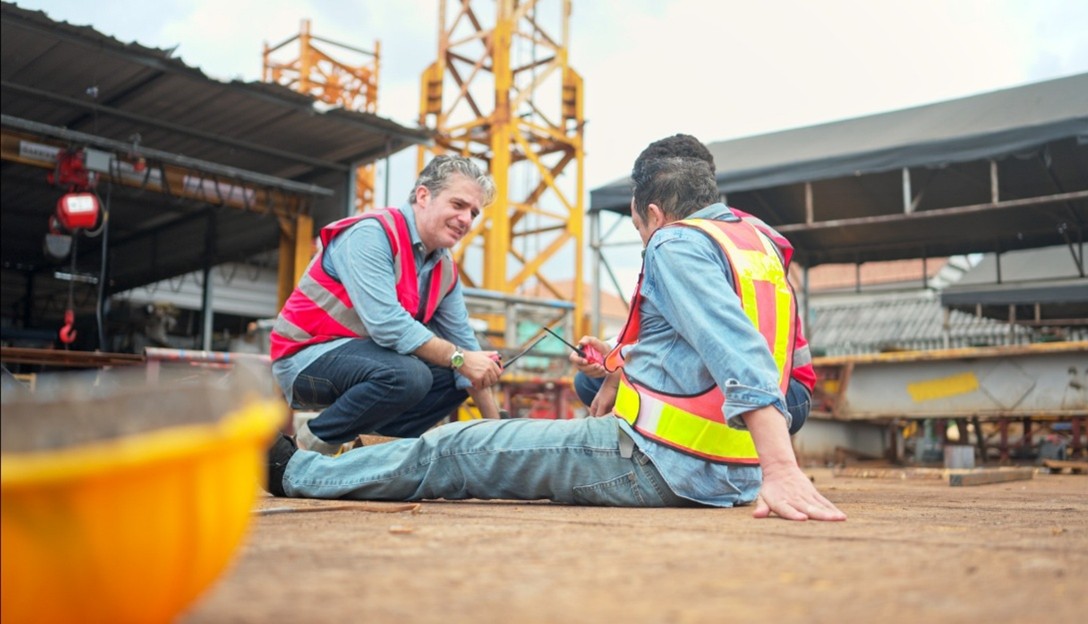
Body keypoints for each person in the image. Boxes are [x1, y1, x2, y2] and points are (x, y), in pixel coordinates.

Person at [263, 143, 846, 522]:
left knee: (454, 447)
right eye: (458, 206)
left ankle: (301, 471)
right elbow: (751, 356)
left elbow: (732, 348)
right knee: (439, 387)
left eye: (640, 227)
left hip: (660, 461)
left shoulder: (675, 240)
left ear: (650, 212)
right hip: (727, 470)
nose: (466, 221)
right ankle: (333, 449)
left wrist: (781, 468)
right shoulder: (761, 245)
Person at [571, 134, 815, 435]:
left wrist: (621, 370)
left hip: (769, 389)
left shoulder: (682, 245)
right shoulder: (751, 232)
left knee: (603, 383)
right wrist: (612, 351)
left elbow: (722, 340)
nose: (644, 237)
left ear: (654, 211)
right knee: (598, 379)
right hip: (790, 386)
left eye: (639, 226)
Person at [269, 155, 505, 454]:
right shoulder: (371, 234)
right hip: (306, 360)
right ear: (423, 195)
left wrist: (498, 433)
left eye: (474, 213)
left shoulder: (444, 269)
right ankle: (305, 451)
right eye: (458, 205)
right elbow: (387, 324)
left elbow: (467, 351)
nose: (466, 220)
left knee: (453, 376)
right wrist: (461, 359)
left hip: (370, 363)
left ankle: (367, 451)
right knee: (412, 374)